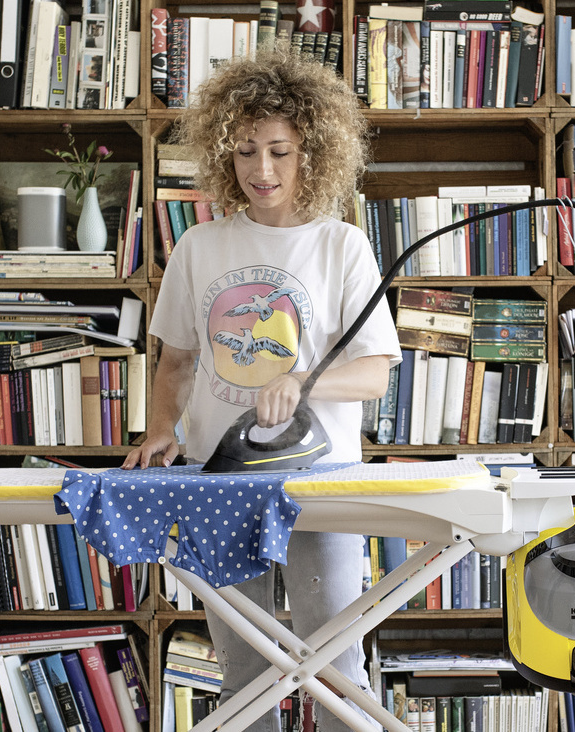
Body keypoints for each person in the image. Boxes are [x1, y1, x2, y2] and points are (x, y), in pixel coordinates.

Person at [123, 51, 400, 731]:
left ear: (314, 150)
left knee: (333, 658)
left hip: (322, 479)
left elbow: (374, 372)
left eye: (279, 149)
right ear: (223, 152)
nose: (262, 169)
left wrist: (303, 381)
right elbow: (175, 364)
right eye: (245, 151)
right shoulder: (198, 247)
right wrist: (161, 430)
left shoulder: (341, 248)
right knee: (241, 665)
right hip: (220, 478)